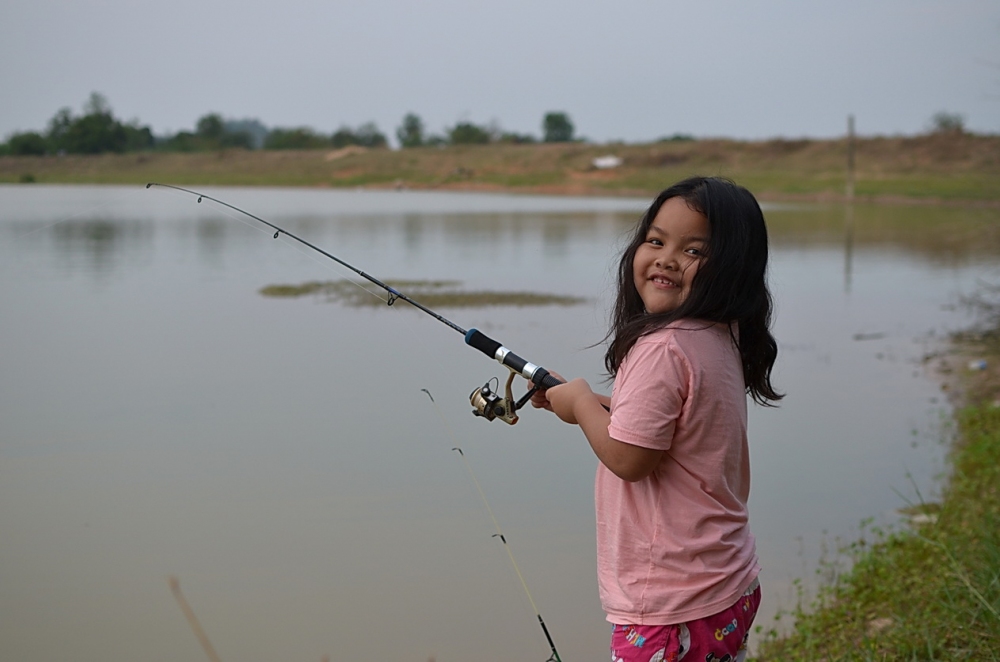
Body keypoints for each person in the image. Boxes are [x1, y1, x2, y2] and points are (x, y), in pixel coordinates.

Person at [530, 176, 782, 662]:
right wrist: (584, 405)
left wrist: (582, 402)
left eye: (694, 250)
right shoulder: (715, 334)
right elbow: (672, 429)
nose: (666, 258)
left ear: (732, 269)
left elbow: (630, 457)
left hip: (671, 607)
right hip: (727, 585)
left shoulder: (663, 347)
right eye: (656, 240)